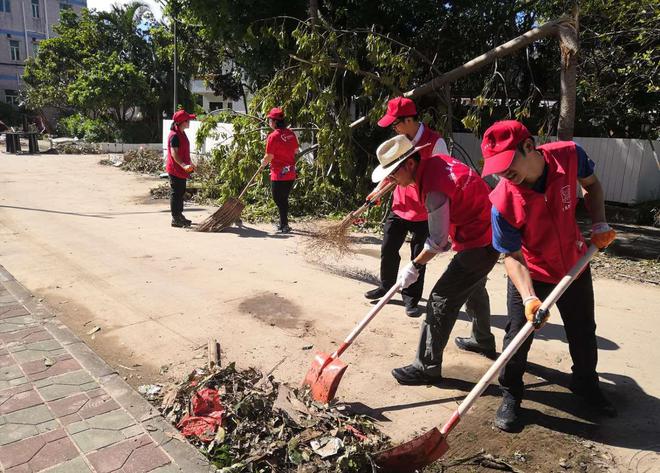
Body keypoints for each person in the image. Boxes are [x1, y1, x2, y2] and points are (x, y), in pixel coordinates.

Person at [480, 120, 617, 431]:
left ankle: (586, 384)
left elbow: (592, 185)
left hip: (574, 263)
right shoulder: (502, 203)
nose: (503, 174)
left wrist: (599, 223)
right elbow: (512, 257)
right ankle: (511, 393)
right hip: (532, 271)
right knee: (518, 337)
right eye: (496, 168)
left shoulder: (569, 156)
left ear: (528, 147)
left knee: (583, 330)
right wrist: (529, 298)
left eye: (507, 164)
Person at [371, 134, 500, 386]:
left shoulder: (433, 188)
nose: (391, 180)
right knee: (474, 287)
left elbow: (438, 242)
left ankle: (425, 367)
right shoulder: (436, 162)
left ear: (409, 164)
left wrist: (414, 265)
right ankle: (482, 340)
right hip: (488, 231)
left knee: (441, 299)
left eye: (393, 173)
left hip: (481, 239)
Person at [364, 97, 449, 317]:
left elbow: (443, 177)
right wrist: (377, 192)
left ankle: (411, 298)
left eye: (396, 122)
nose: (393, 127)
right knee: (388, 248)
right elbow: (390, 170)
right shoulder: (399, 141)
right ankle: (386, 286)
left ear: (410, 119)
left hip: (423, 209)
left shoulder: (435, 143)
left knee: (417, 255)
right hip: (400, 205)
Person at [262, 107, 299, 233]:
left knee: (278, 198)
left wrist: (263, 163)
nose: (269, 122)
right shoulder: (291, 133)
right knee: (283, 199)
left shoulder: (273, 136)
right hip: (290, 172)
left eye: (269, 120)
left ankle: (284, 225)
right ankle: (283, 224)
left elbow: (269, 156)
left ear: (274, 121)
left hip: (279, 173)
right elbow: (296, 151)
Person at [166, 109, 196, 228]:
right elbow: (174, 153)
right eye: (187, 120)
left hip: (182, 170)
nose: (189, 121)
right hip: (176, 169)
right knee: (176, 193)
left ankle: (179, 215)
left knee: (181, 192)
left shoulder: (181, 133)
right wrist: (184, 165)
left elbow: (184, 152)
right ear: (182, 122)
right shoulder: (174, 136)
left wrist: (190, 164)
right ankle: (175, 218)